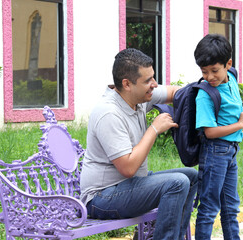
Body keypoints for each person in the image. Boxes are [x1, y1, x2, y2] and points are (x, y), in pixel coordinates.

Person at [80, 48, 198, 240]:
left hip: (130, 185)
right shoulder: (109, 113)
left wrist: (211, 97)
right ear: (127, 84)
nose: (154, 84)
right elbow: (128, 168)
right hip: (102, 197)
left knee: (192, 177)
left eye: (153, 77)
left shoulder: (139, 96)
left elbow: (177, 93)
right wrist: (154, 129)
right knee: (177, 182)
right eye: (148, 81)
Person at [193, 34, 243, 240]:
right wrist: (239, 124)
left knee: (231, 207)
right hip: (215, 152)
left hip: (231, 152)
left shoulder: (233, 78)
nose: (210, 77)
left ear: (228, 64)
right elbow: (209, 132)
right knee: (209, 207)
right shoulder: (205, 94)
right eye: (204, 72)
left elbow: (232, 106)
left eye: (214, 71)